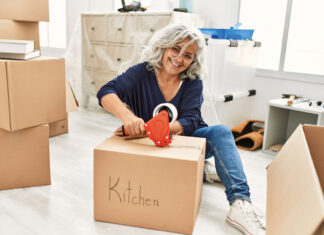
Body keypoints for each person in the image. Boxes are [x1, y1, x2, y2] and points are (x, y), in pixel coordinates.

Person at [97, 23, 265, 235]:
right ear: (164, 47)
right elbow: (106, 92)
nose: (179, 58)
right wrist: (128, 117)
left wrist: (152, 128)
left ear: (193, 60)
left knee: (221, 132)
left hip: (190, 140)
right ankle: (202, 171)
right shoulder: (141, 72)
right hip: (154, 145)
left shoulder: (193, 81)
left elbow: (192, 120)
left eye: (188, 55)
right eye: (175, 49)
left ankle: (240, 204)